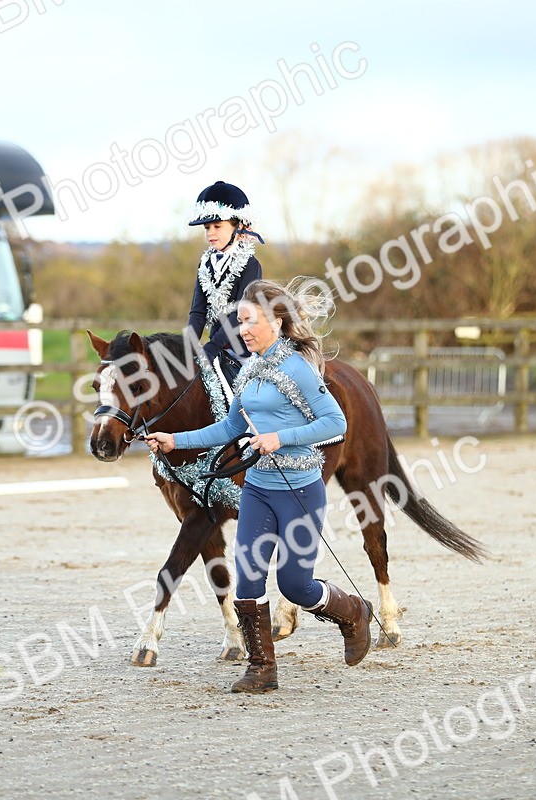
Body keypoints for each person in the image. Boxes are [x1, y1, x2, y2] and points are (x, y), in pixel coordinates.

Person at [145, 279, 372, 693]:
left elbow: (335, 423)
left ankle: (354, 612)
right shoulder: (250, 369)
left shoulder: (297, 368)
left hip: (300, 491)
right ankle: (262, 669)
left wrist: (279, 438)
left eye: (248, 321)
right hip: (258, 489)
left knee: (295, 586)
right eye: (239, 322)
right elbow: (231, 426)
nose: (241, 330)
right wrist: (175, 441)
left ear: (276, 321)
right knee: (249, 578)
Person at [184, 181, 263, 386]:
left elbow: (239, 313)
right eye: (207, 227)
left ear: (238, 226)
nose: (210, 233)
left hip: (246, 348)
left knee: (255, 396)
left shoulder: (250, 264)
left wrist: (212, 346)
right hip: (216, 347)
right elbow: (198, 312)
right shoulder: (205, 264)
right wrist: (189, 346)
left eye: (217, 226)